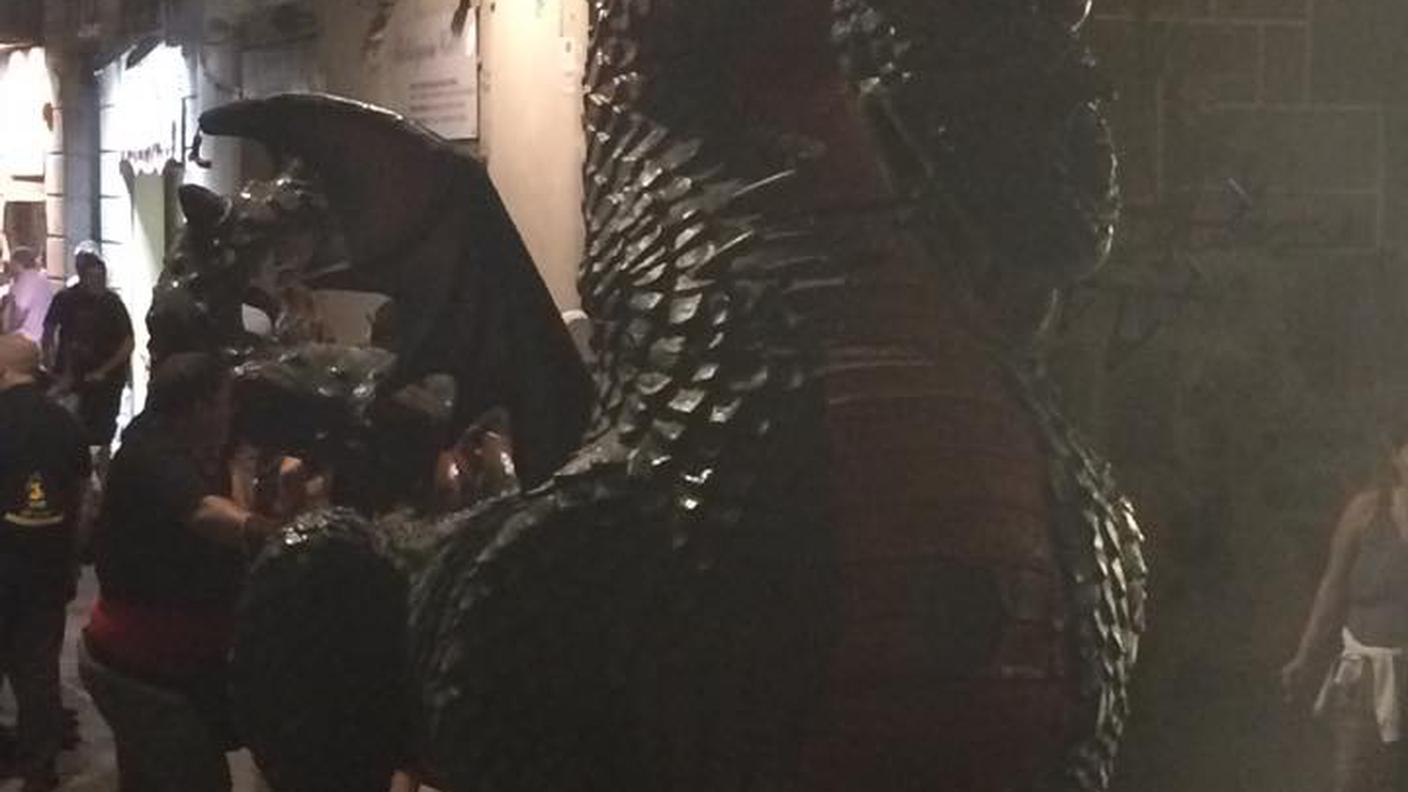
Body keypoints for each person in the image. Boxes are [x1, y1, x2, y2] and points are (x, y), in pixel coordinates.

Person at [79, 353, 282, 792]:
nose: (233, 412)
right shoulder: (151, 451)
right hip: (144, 665)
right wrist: (285, 536)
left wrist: (237, 461)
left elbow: (229, 512)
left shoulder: (191, 448)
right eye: (225, 401)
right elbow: (205, 513)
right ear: (198, 406)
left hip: (151, 661)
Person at [1283, 427, 1408, 792]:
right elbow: (1332, 587)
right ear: (1396, 456)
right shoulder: (1365, 511)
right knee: (1352, 779)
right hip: (1361, 675)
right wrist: (1304, 655)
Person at [0, 335, 89, 792]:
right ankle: (40, 769)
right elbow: (82, 497)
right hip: (46, 567)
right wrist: (72, 558)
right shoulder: (64, 423)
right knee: (38, 672)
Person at [42, 247, 133, 460]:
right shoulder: (65, 299)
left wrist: (104, 370)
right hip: (73, 377)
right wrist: (51, 365)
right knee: (70, 428)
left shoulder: (112, 303)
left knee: (102, 434)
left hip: (106, 382)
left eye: (101, 277)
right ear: (82, 277)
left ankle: (100, 468)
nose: (98, 283)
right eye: (93, 278)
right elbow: (48, 331)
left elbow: (127, 342)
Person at [1, 249, 53, 344]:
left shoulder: (25, 279)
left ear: (16, 264)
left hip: (27, 337)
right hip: (41, 336)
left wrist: (7, 333)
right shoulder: (41, 277)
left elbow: (19, 315)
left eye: (11, 263)